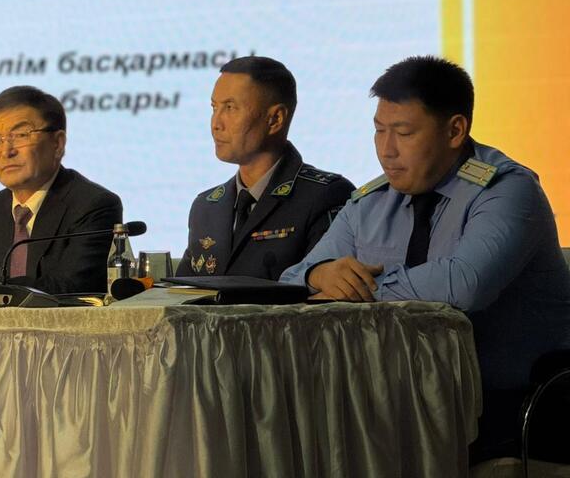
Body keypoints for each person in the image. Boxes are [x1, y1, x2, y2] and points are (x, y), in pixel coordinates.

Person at [280, 55, 570, 461]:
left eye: (403, 133)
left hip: (510, 406)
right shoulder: (371, 202)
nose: (387, 150)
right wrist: (321, 274)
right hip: (397, 400)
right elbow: (290, 281)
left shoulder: (508, 191)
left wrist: (358, 290)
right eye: (379, 131)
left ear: (455, 130)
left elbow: (463, 285)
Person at [175, 56, 354, 282]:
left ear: (275, 119)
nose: (216, 123)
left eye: (230, 108)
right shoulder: (207, 207)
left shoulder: (324, 196)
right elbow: (181, 294)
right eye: (214, 107)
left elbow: (328, 294)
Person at [0, 86, 122, 294]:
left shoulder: (93, 205)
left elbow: (71, 287)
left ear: (57, 143)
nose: (6, 151)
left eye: (20, 135)